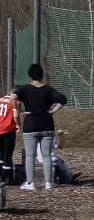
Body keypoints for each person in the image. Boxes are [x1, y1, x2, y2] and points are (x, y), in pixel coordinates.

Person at [13, 64, 67, 193]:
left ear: (30, 75)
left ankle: (30, 183)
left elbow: (13, 97)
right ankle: (49, 182)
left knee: (30, 156)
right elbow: (63, 99)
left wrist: (18, 110)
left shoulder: (24, 89)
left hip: (30, 125)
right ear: (42, 75)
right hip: (46, 124)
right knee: (46, 155)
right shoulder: (48, 90)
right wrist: (52, 111)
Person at [0, 86, 17, 188]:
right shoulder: (14, 101)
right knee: (7, 155)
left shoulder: (1, 99)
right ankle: (6, 179)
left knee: (1, 155)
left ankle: (2, 176)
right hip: (8, 131)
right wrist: (18, 124)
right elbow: (15, 115)